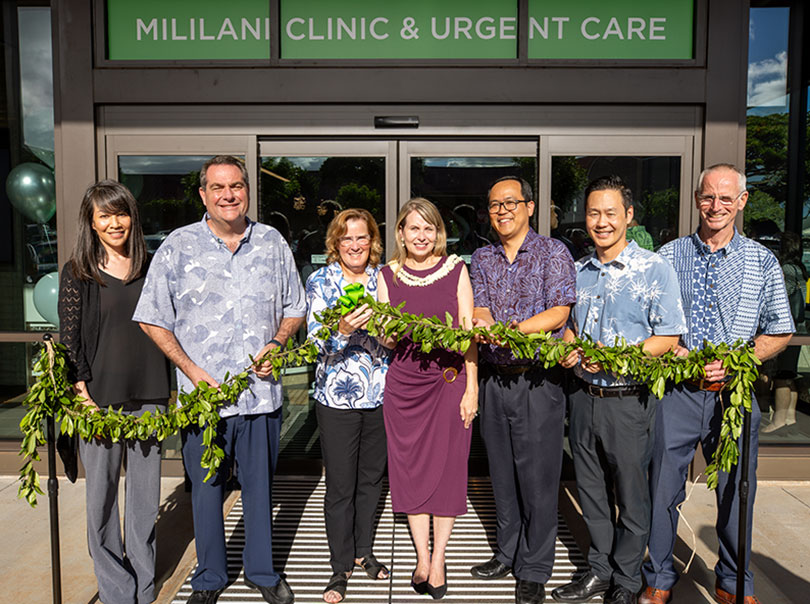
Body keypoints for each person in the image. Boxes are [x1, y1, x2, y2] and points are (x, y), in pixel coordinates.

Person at [134, 155, 306, 604]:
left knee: (259, 489)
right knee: (206, 491)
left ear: (247, 191)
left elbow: (295, 306)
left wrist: (277, 342)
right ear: (203, 194)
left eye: (236, 186)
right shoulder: (177, 246)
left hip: (260, 396)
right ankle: (210, 576)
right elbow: (151, 318)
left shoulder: (272, 242)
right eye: (218, 187)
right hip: (202, 400)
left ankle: (262, 572)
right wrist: (191, 370)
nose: (228, 195)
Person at [640, 164, 795, 604]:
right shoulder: (667, 257)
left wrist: (735, 360)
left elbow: (780, 329)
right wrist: (674, 350)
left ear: (741, 202)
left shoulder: (762, 262)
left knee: (737, 491)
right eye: (708, 196)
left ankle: (733, 581)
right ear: (696, 200)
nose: (716, 206)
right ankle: (658, 577)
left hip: (734, 395)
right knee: (662, 487)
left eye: (726, 198)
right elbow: (650, 322)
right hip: (677, 392)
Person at [552, 176, 685, 604]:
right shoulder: (578, 271)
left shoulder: (654, 268)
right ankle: (599, 570)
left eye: (610, 213)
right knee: (591, 493)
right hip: (583, 398)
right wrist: (568, 349)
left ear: (628, 215)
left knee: (631, 497)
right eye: (594, 213)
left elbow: (667, 336)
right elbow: (570, 328)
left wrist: (614, 358)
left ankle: (626, 582)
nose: (601, 222)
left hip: (629, 402)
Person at [58, 180, 171, 604]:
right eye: (104, 215)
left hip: (151, 396)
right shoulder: (78, 273)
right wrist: (82, 396)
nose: (114, 223)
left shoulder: (152, 267)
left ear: (132, 217)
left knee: (144, 502)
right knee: (101, 500)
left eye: (121, 213)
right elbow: (69, 341)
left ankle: (143, 582)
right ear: (91, 222)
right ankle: (116, 589)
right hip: (98, 402)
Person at [469, 176, 576, 604]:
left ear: (530, 207)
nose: (502, 211)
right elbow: (479, 306)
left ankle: (534, 566)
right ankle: (507, 551)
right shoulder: (482, 257)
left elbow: (560, 311)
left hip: (538, 380)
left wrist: (515, 330)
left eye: (510, 202)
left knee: (538, 479)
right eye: (495, 204)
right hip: (495, 378)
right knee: (502, 473)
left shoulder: (553, 252)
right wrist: (482, 324)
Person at [378, 197, 478, 600]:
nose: (421, 236)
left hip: (449, 383)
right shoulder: (387, 275)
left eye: (429, 228)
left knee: (449, 472)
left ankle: (439, 560)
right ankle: (421, 557)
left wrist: (472, 388)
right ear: (401, 233)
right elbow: (387, 341)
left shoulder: (456, 270)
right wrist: (384, 330)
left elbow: (469, 336)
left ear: (439, 233)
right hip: (404, 389)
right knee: (411, 473)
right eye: (413, 228)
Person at [305, 209, 391, 603]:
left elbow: (397, 337)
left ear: (373, 241)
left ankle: (363, 551)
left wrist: (382, 330)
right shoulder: (321, 281)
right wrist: (341, 331)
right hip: (336, 397)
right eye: (346, 238)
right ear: (335, 243)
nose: (355, 245)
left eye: (362, 238)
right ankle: (339, 566)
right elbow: (313, 343)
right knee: (340, 485)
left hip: (380, 394)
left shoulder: (385, 279)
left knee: (371, 481)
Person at [763, 231, 807, 435]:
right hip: (799, 327)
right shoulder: (800, 268)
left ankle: (779, 421)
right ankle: (790, 417)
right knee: (789, 374)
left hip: (787, 329)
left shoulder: (787, 269)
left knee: (781, 376)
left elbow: (782, 295)